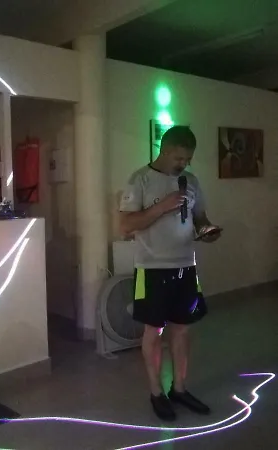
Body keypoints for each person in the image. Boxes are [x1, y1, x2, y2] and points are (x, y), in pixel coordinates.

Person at [119, 126, 222, 421]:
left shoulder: (191, 181)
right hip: (152, 269)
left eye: (188, 159)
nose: (183, 164)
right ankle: (156, 392)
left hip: (186, 266)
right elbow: (125, 226)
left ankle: (179, 388)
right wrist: (162, 207)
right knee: (154, 332)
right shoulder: (139, 179)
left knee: (182, 329)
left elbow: (200, 218)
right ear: (163, 151)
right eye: (179, 158)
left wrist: (207, 230)